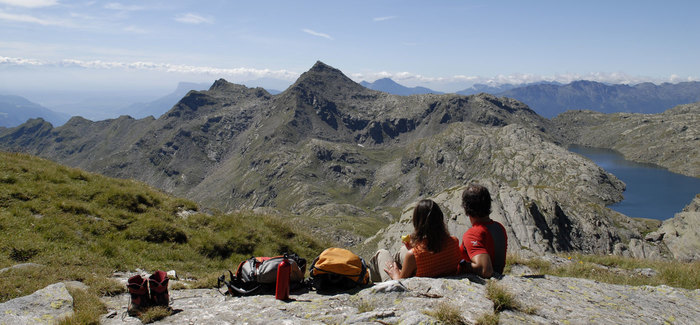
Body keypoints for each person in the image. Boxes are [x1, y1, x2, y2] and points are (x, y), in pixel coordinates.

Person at [368, 199, 463, 282]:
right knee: (403, 250)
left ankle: (370, 282)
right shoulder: (454, 242)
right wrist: (413, 248)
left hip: (412, 288)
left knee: (382, 253)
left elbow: (401, 282)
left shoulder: (413, 255)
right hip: (434, 274)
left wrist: (395, 273)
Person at [460, 184, 508, 278]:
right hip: (498, 275)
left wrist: (462, 264)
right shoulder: (499, 227)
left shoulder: (473, 234)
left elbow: (485, 270)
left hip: (480, 283)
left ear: (466, 208)